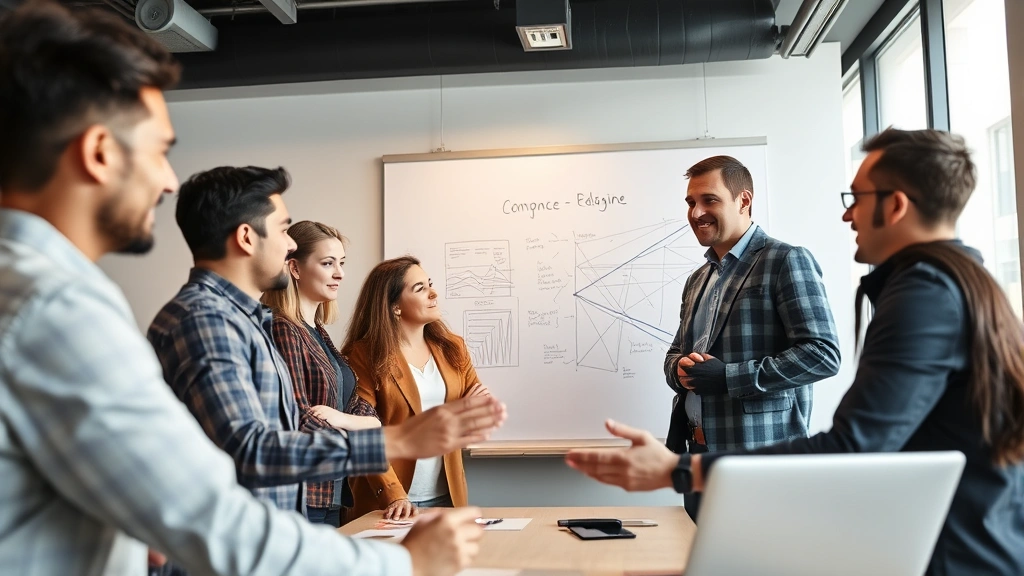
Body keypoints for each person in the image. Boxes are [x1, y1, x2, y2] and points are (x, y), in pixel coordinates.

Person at [0, 2, 500, 574]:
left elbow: (153, 487)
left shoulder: (36, 291)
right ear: (98, 153)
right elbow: (211, 502)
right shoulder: (60, 307)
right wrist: (403, 561)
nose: (168, 181)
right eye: (160, 151)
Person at [566, 129, 1024, 576]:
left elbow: (848, 428)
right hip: (961, 539)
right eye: (690, 201)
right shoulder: (957, 282)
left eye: (856, 198)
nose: (847, 215)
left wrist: (679, 467)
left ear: (896, 205)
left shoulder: (918, 294)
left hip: (954, 549)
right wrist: (681, 374)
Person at [148, 166, 505, 518]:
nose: (290, 245)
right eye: (283, 230)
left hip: (299, 508)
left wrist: (368, 427)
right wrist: (396, 440)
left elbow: (316, 421)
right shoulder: (208, 322)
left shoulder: (253, 323)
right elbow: (257, 450)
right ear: (246, 237)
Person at [663, 154, 841, 518]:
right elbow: (674, 354)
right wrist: (678, 370)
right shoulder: (697, 279)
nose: (696, 213)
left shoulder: (785, 260)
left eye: (709, 200)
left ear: (743, 200)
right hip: (697, 454)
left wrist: (728, 377)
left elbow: (822, 354)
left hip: (759, 457)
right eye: (691, 202)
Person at [343, 256, 491, 520]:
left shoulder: (453, 348)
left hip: (447, 496)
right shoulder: (364, 355)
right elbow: (363, 433)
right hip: (390, 503)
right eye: (420, 288)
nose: (433, 293)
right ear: (395, 306)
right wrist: (394, 495)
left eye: (429, 284)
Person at [261, 220, 378, 526]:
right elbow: (299, 419)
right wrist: (362, 432)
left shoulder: (318, 332)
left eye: (341, 263)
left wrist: (345, 419)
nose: (340, 273)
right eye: (328, 263)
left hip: (331, 492)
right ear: (295, 269)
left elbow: (363, 410)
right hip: (301, 495)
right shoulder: (283, 328)